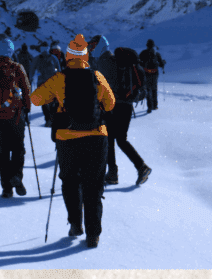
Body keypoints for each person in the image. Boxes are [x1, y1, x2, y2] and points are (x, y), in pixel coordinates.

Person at [30, 34, 115, 248]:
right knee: (93, 185)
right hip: (96, 137)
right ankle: (93, 234)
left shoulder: (60, 78)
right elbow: (111, 104)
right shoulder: (96, 76)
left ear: (68, 55)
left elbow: (36, 98)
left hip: (67, 138)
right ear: (86, 55)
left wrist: (59, 102)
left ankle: (76, 224)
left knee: (70, 181)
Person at [90, 35, 152, 187]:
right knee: (119, 139)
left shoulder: (105, 62)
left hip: (114, 106)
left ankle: (116, 173)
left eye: (92, 45)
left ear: (100, 46)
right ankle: (138, 168)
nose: (90, 49)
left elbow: (103, 87)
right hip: (126, 104)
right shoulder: (114, 60)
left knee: (110, 139)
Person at [0, 38, 32, 198]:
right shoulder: (18, 68)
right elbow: (27, 91)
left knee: (2, 151)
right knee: (18, 149)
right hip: (15, 116)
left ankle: (6, 188)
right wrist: (27, 110)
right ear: (11, 51)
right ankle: (16, 176)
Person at [31, 44, 62, 127]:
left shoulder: (52, 58)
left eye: (45, 48)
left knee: (52, 101)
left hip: (50, 83)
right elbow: (32, 69)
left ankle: (51, 119)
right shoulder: (39, 58)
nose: (44, 50)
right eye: (42, 48)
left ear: (48, 49)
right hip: (44, 83)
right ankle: (49, 119)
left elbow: (58, 69)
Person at [139, 39, 166, 112]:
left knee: (148, 90)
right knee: (154, 89)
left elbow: (138, 62)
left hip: (146, 74)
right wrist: (163, 62)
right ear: (153, 46)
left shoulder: (143, 53)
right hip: (155, 74)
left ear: (147, 45)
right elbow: (161, 64)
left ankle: (149, 107)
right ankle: (155, 105)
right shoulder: (156, 54)